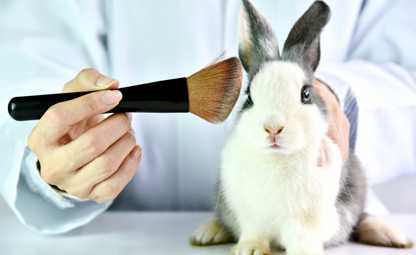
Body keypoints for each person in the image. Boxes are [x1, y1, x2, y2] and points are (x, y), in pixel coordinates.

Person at [0, 0, 415, 237]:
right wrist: (54, 148)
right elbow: (28, 56)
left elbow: (407, 68)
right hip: (126, 234)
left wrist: (325, 102)